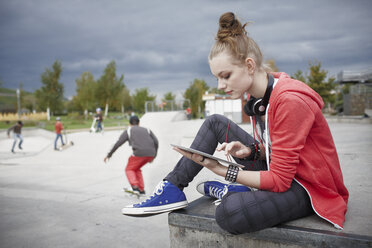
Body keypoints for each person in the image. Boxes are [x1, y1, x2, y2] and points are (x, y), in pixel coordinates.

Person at [121, 12, 349, 234]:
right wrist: (252, 151)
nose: (220, 85)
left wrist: (222, 170)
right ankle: (172, 188)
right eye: (217, 78)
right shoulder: (256, 98)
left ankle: (235, 191)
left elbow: (279, 180)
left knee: (230, 214)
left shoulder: (289, 100)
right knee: (214, 123)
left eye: (226, 75)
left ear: (249, 66)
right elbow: (279, 151)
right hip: (284, 171)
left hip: (309, 187)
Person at [104, 115, 159, 196]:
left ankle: (135, 187)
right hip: (151, 154)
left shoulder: (129, 130)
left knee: (129, 169)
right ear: (139, 123)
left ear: (129, 124)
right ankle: (141, 189)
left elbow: (117, 144)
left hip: (139, 153)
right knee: (136, 168)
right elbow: (156, 142)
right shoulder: (147, 130)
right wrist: (154, 156)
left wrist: (109, 155)